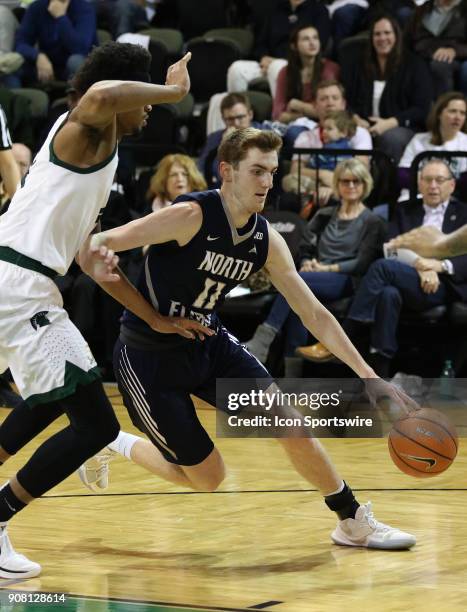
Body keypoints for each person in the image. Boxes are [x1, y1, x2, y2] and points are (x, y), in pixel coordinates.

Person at [79, 127, 416, 552]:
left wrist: (369, 376)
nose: (267, 182)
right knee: (208, 478)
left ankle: (351, 520)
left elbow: (313, 312)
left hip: (209, 343)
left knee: (289, 422)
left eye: (272, 172)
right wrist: (152, 315)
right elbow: (95, 248)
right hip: (149, 355)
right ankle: (113, 440)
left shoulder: (266, 240)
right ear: (227, 171)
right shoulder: (191, 216)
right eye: (257, 170)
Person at [0, 41, 210, 578]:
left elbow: (94, 264)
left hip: (27, 286)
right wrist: (174, 90)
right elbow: (103, 91)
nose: (147, 109)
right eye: (143, 98)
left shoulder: (101, 159)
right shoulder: (82, 128)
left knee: (56, 402)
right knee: (93, 424)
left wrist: (155, 318)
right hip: (18, 284)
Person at [299, 159, 467, 376]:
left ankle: (341, 339)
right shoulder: (404, 210)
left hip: (444, 284)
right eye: (427, 179)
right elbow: (391, 248)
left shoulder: (463, 213)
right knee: (388, 293)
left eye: (439, 180)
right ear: (419, 183)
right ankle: (380, 373)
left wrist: (440, 265)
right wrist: (421, 265)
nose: (433, 185)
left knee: (382, 269)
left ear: (451, 185)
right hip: (411, 278)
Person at [247, 158, 385, 375]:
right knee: (297, 300)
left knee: (295, 284)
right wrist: (306, 262)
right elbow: (306, 246)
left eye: (356, 182)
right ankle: (293, 376)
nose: (350, 186)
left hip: (348, 280)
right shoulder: (325, 214)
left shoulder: (372, 221)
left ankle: (264, 337)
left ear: (365, 185)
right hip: (316, 275)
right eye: (345, 181)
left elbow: (362, 263)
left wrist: (325, 269)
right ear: (338, 184)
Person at [341, 13, 433, 163]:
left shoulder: (415, 65)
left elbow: (421, 108)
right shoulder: (359, 65)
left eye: (387, 33)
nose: (382, 38)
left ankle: (389, 185)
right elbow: (346, 99)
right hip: (362, 125)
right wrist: (355, 118)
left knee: (392, 138)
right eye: (377, 34)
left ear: (396, 36)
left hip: (402, 127)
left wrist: (389, 123)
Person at [283, 80, 371, 207]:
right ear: (314, 105)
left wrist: (334, 184)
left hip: (348, 186)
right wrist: (324, 175)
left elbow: (361, 169)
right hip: (314, 185)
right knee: (289, 184)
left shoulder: (359, 133)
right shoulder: (305, 137)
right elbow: (295, 170)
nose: (330, 103)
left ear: (343, 103)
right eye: (324, 99)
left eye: (335, 98)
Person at [227, 0, 331, 97]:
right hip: (267, 64)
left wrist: (280, 61)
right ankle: (238, 111)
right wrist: (263, 57)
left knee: (276, 67)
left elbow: (317, 44)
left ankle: (278, 113)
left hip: (298, 65)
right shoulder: (274, 10)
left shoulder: (319, 10)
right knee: (236, 69)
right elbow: (261, 43)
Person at [12, 0, 98, 87]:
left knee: (75, 61)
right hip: (47, 65)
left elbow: (80, 48)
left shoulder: (84, 8)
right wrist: (38, 56)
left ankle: (83, 99)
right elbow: (20, 43)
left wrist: (60, 17)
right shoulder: (37, 7)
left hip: (76, 66)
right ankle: (17, 100)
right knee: (12, 66)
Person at [398, 91, 467, 196]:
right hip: (415, 198)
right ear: (439, 113)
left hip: (451, 202)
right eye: (453, 111)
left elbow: (464, 183)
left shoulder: (465, 142)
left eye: (463, 113)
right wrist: (439, 184)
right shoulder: (419, 140)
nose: (458, 117)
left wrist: (426, 181)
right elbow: (402, 176)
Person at [272, 25, 340, 124]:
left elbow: (331, 111)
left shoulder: (330, 69)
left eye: (315, 38)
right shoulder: (285, 72)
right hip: (295, 125)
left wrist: (298, 106)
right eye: (305, 39)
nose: (312, 43)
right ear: (294, 46)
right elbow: (277, 114)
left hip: (327, 125)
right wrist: (308, 112)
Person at [405, 0, 467, 97]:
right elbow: (410, 39)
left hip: (457, 58)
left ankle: (447, 108)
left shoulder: (464, 9)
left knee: (440, 65)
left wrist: (454, 51)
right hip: (424, 54)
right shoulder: (423, 10)